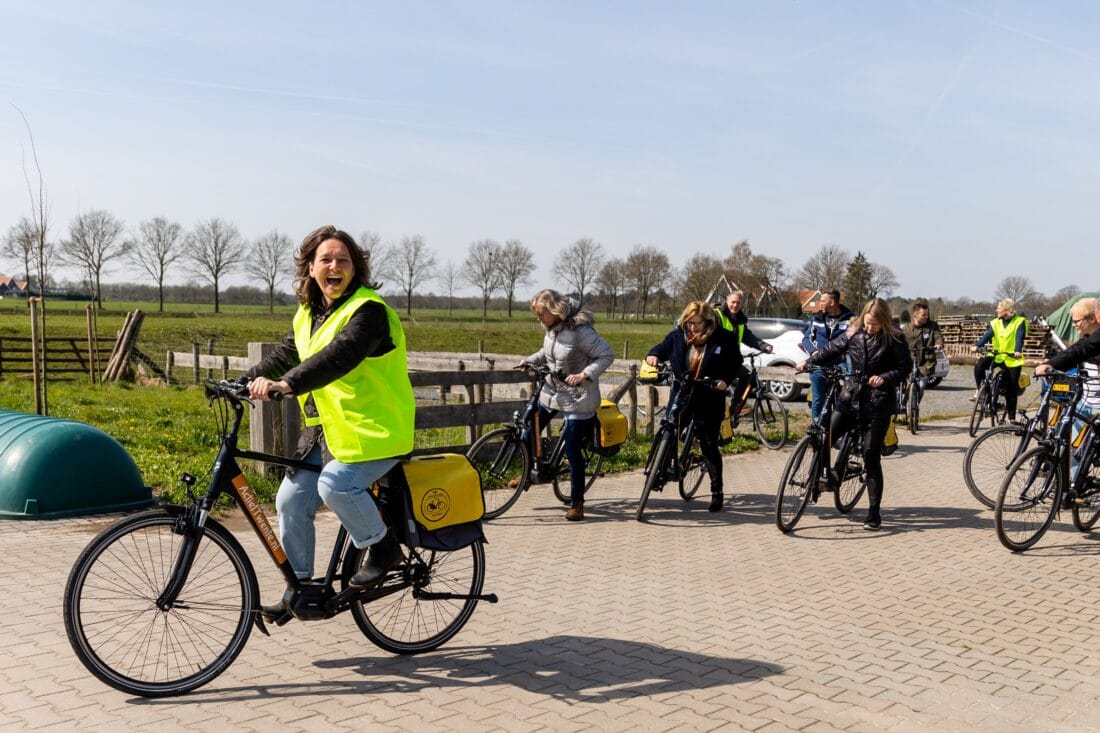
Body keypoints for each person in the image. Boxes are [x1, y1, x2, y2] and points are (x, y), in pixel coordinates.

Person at [246, 225, 415, 619]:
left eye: (343, 260)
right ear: (310, 267)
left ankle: (385, 547)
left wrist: (286, 385)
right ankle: (300, 587)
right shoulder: (309, 314)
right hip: (330, 433)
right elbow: (288, 354)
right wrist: (243, 380)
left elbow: (340, 356)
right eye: (326, 259)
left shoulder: (369, 312)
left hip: (377, 432)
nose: (334, 266)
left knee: (335, 485)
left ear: (356, 268)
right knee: (289, 499)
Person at [797, 298, 912, 530]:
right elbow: (832, 349)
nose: (869, 328)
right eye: (867, 323)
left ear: (884, 322)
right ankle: (820, 478)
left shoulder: (895, 338)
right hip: (850, 397)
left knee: (871, 458)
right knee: (825, 435)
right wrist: (808, 362)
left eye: (875, 325)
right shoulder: (854, 333)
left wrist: (886, 378)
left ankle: (873, 512)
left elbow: (905, 367)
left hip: (878, 404)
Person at [518, 290, 614, 521]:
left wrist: (584, 374)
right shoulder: (552, 329)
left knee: (572, 448)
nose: (539, 319)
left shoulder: (581, 331)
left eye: (541, 314)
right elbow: (549, 354)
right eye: (537, 315)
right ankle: (529, 474)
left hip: (579, 395)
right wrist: (529, 360)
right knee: (529, 426)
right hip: (554, 391)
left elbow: (606, 355)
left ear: (554, 310)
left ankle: (577, 502)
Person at [646, 301, 739, 512]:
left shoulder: (723, 338)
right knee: (668, 428)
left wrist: (724, 380)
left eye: (696, 323)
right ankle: (660, 470)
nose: (692, 327)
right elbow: (662, 348)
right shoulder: (679, 335)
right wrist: (653, 355)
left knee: (708, 445)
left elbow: (735, 363)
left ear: (707, 322)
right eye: (688, 323)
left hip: (709, 396)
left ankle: (717, 493)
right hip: (682, 393)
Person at [1035, 298, 1100, 478]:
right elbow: (1077, 351)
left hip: (1097, 408)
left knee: (1083, 450)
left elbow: (1081, 350)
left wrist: (1051, 364)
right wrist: (1052, 365)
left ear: (1092, 318)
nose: (1074, 325)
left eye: (1077, 321)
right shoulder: (1088, 338)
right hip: (1085, 403)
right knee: (1074, 449)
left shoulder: (1095, 339)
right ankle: (1072, 488)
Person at [713, 290, 773, 416]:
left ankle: (735, 409)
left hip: (731, 361)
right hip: (717, 361)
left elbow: (748, 337)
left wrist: (763, 346)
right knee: (718, 390)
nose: (735, 305)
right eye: (733, 302)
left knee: (746, 376)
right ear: (727, 302)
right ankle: (719, 417)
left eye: (738, 303)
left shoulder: (740, 319)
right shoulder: (717, 315)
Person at [801, 289, 855, 422]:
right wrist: (813, 352)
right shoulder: (817, 318)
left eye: (823, 301)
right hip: (819, 363)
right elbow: (806, 338)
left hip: (840, 364)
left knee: (842, 400)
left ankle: (837, 430)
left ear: (832, 302)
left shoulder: (850, 319)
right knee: (818, 400)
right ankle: (816, 430)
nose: (820, 303)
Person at [971, 298, 1028, 421]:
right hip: (997, 355)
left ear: (1007, 310)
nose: (997, 310)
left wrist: (1018, 350)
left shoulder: (1019, 322)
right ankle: (982, 390)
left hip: (1012, 358)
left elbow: (1019, 337)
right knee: (979, 365)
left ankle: (1011, 419)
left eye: (999, 308)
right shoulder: (995, 322)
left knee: (1011, 389)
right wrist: (977, 345)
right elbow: (987, 335)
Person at [902, 299, 944, 408]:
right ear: (915, 315)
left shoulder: (932, 326)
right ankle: (903, 406)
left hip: (926, 363)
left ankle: (914, 408)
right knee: (906, 386)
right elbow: (899, 342)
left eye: (927, 314)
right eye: (923, 315)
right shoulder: (906, 329)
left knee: (920, 386)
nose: (926, 317)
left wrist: (939, 344)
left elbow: (938, 336)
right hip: (910, 362)